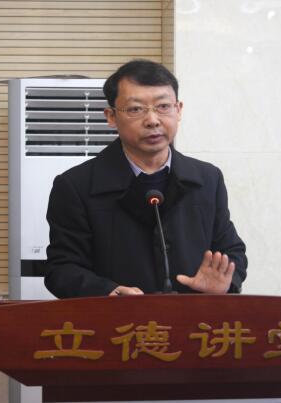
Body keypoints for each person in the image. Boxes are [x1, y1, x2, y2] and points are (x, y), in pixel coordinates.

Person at [44, 59, 247, 298]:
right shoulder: (76, 186)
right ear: (111, 116)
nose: (152, 120)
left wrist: (224, 282)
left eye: (163, 106)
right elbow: (62, 269)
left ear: (179, 110)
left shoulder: (207, 178)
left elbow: (232, 251)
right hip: (117, 319)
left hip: (192, 318)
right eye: (135, 109)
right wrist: (109, 291)